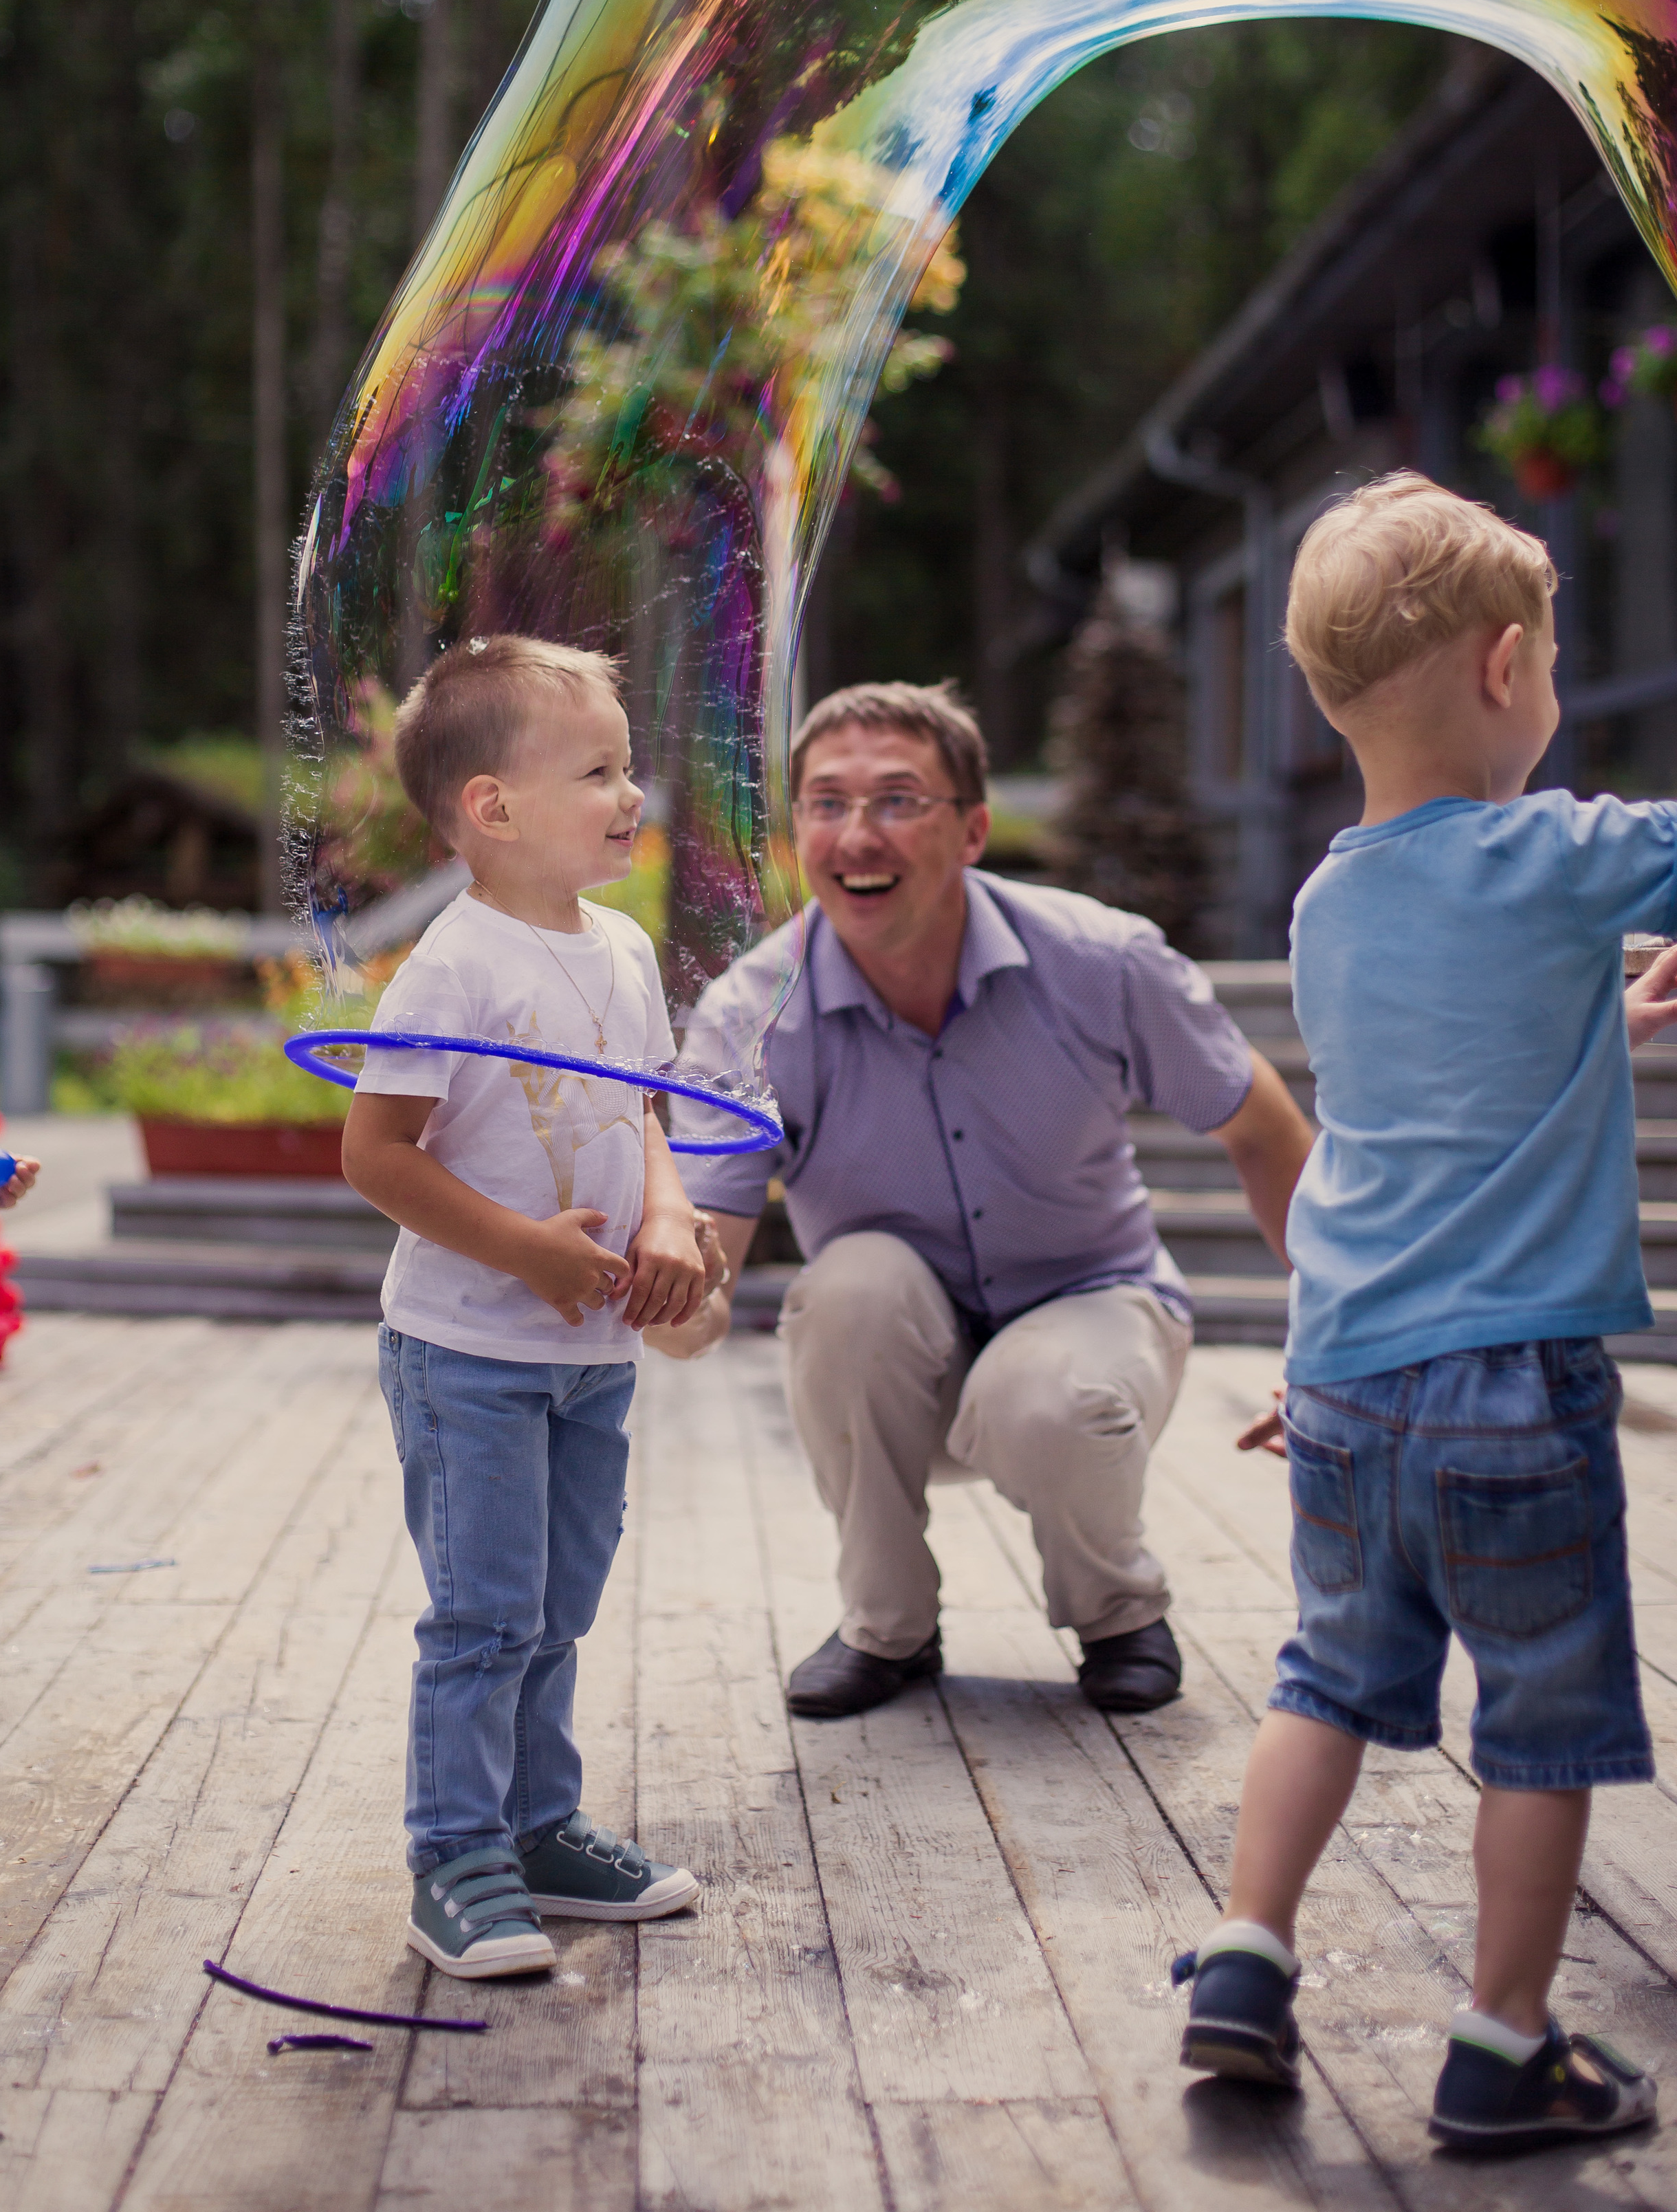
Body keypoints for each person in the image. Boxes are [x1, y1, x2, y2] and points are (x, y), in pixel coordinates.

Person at [1175, 474, 1662, 2155]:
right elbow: (1541, 899)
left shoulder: (1328, 902)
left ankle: (1241, 1959)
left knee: (1323, 1677)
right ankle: (1501, 2042)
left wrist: (1600, 1010)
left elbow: (1447, 1079)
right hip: (1513, 1391)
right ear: (1505, 665)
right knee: (1541, 1715)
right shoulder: (1565, 851)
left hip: (1345, 1376)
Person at [672, 679, 1313, 1719]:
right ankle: (888, 1627)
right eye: (826, 804)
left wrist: (1342, 1329)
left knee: (1044, 1394)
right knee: (847, 1289)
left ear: (972, 830)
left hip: (1092, 1311)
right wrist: (636, 1292)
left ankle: (1119, 1614)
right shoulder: (749, 1015)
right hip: (896, 1365)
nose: (856, 833)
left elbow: (1264, 1127)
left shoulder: (1102, 961)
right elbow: (707, 1276)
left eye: (896, 800)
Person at [342, 634, 721, 1980]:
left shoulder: (619, 949)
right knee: (483, 1615)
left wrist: (667, 1216)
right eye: (600, 771)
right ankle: (453, 1857)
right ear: (491, 808)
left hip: (591, 1356)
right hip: (471, 1360)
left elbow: (649, 1118)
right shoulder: (451, 969)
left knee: (558, 1606)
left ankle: (538, 1826)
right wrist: (525, 1252)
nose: (633, 796)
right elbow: (375, 1156)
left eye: (629, 769)